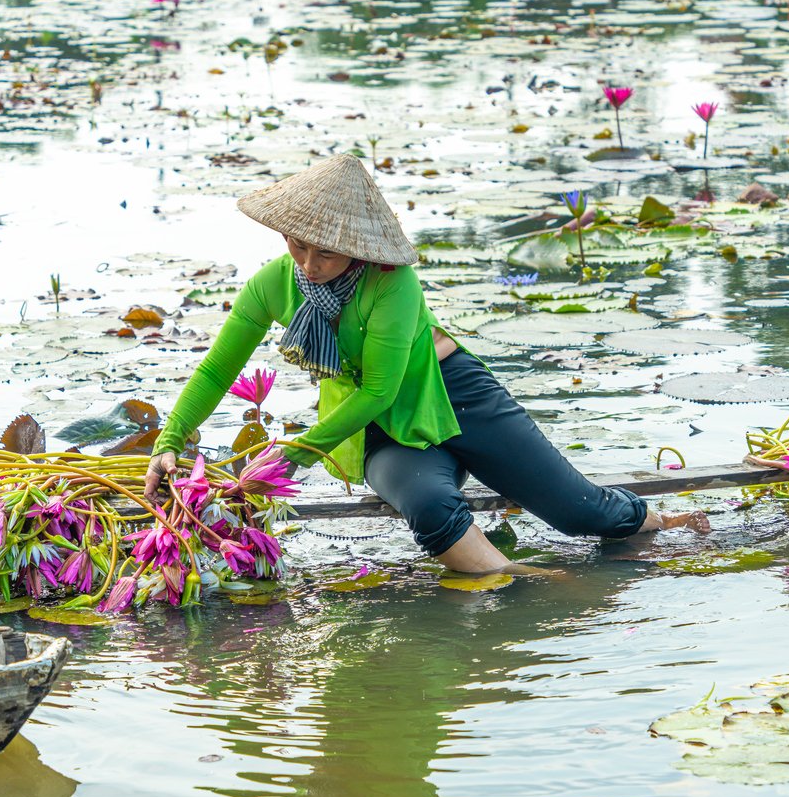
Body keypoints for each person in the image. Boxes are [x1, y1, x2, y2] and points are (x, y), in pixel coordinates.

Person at [144, 154, 709, 574]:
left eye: (326, 252)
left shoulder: (394, 283)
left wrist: (288, 455)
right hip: (379, 427)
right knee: (430, 505)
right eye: (298, 246)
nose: (309, 265)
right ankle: (528, 584)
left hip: (458, 395)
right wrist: (170, 440)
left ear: (363, 252)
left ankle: (661, 523)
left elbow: (382, 388)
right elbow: (218, 370)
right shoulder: (272, 284)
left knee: (579, 513)